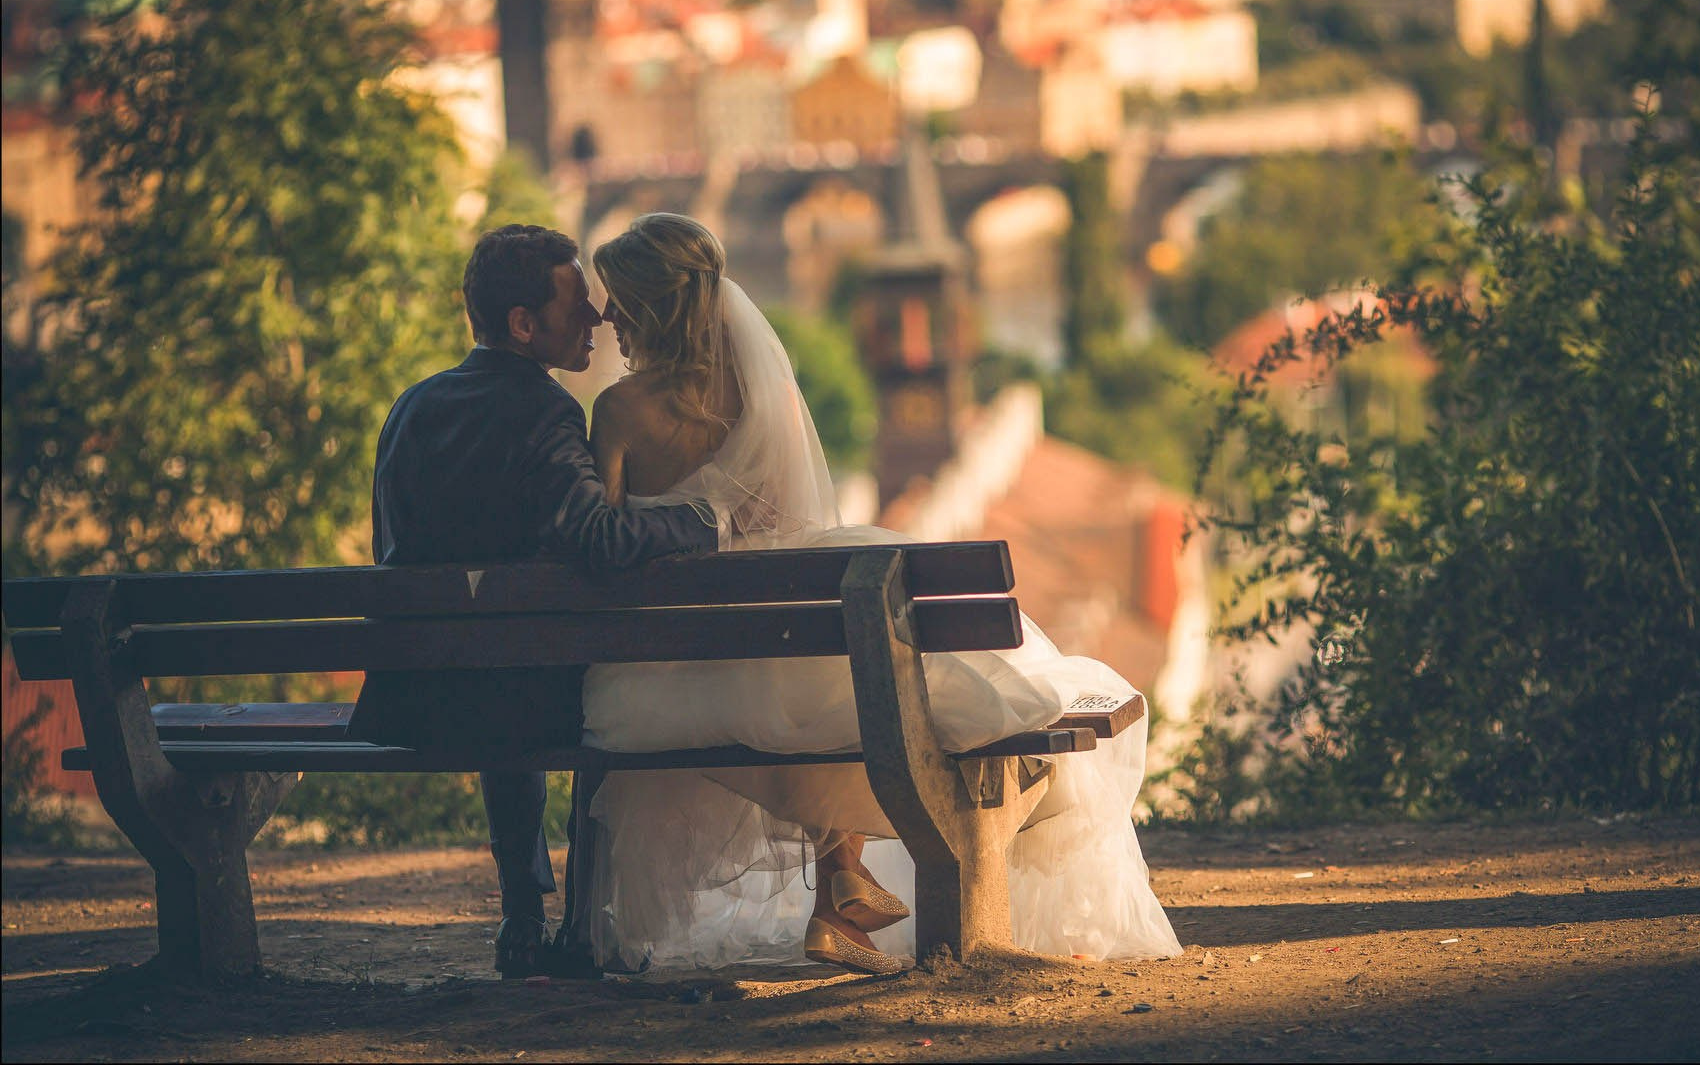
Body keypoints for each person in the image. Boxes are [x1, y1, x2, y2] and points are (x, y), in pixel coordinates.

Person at [579, 213, 1183, 975]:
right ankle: (841, 882)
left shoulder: (620, 411)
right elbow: (790, 524)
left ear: (651, 306)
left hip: (669, 667)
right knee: (839, 677)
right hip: (777, 645)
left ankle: (842, 888)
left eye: (616, 299)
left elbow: (599, 544)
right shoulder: (759, 394)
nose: (607, 316)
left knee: (797, 693)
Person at [348, 224, 718, 979]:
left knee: (504, 666)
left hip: (416, 694)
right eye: (575, 305)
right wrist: (707, 520)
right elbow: (600, 538)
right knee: (610, 691)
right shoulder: (546, 414)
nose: (596, 320)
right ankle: (579, 921)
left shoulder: (411, 408)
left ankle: (523, 912)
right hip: (525, 696)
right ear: (523, 325)